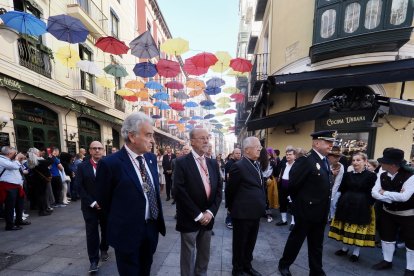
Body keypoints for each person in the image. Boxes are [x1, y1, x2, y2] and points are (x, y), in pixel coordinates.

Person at [96, 112, 166, 276]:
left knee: (146, 270)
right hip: (126, 234)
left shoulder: (150, 159)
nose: (153, 140)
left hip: (151, 229)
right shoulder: (110, 164)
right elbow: (104, 202)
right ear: (132, 136)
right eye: (148, 135)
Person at [278, 130, 337, 276]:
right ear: (316, 143)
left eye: (332, 142)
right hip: (306, 211)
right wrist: (301, 204)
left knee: (317, 244)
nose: (331, 145)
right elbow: (293, 185)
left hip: (321, 211)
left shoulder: (324, 160)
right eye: (328, 142)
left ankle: (316, 270)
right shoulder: (306, 159)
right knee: (296, 241)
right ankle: (284, 265)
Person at [173, 129, 222, 276]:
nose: (206, 141)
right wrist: (198, 215)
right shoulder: (181, 162)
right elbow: (179, 192)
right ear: (192, 141)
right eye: (202, 138)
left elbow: (219, 189)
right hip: (190, 217)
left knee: (204, 255)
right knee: (188, 256)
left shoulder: (213, 163)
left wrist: (210, 212)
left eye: (208, 138)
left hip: (208, 218)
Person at [371, 148, 414, 275]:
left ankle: (410, 268)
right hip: (388, 212)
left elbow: (404, 197)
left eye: (384, 162)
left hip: (407, 214)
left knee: (411, 241)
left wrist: (384, 193)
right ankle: (387, 261)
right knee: (386, 237)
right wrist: (390, 198)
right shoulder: (382, 174)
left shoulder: (411, 177)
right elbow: (374, 193)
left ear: (393, 165)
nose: (381, 164)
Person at [227, 137, 266, 276]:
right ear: (247, 149)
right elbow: (231, 190)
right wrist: (231, 209)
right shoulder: (238, 166)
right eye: (257, 147)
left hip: (255, 212)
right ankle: (237, 269)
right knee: (240, 243)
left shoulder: (256, 164)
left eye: (260, 147)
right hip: (242, 213)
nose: (260, 149)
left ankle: (247, 266)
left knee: (251, 242)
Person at [328, 152, 377, 262]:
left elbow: (373, 193)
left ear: (365, 162)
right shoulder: (347, 175)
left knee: (357, 229)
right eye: (353, 160)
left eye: (358, 160)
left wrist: (368, 204)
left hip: (362, 205)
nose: (355, 162)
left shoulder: (371, 176)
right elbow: (341, 189)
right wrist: (336, 201)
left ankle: (356, 252)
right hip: (346, 204)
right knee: (346, 226)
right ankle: (345, 248)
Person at [77, 141, 109, 273]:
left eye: (99, 148)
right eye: (94, 148)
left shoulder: (109, 166)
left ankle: (104, 248)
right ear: (89, 151)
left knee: (106, 229)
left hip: (106, 206)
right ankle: (93, 261)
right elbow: (79, 187)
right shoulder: (82, 166)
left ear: (103, 151)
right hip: (89, 206)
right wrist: (92, 202)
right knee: (91, 233)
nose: (97, 150)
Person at [0, 146, 31, 230]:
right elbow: (13, 166)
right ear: (9, 153)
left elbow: (18, 168)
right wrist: (17, 158)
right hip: (8, 186)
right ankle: (10, 225)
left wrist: (18, 160)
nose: (16, 154)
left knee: (19, 205)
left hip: (16, 186)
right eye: (14, 153)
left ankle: (19, 220)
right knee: (10, 206)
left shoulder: (12, 160)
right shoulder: (1, 160)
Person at [26, 148, 53, 216]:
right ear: (35, 153)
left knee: (41, 195)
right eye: (38, 152)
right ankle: (42, 211)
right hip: (40, 180)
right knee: (41, 196)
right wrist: (50, 156)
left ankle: (43, 209)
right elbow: (49, 162)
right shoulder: (38, 161)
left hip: (37, 180)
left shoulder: (32, 161)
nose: (39, 153)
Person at [276, 148, 296, 229]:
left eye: (290, 154)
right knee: (282, 203)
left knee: (292, 205)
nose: (288, 156)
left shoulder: (297, 165)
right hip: (283, 187)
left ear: (295, 156)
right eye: (287, 154)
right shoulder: (284, 164)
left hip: (292, 188)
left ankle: (293, 222)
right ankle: (284, 220)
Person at [224, 148, 242, 229]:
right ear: (233, 154)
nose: (238, 155)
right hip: (231, 187)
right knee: (230, 205)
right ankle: (228, 220)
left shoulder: (240, 162)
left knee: (235, 205)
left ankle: (233, 220)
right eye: (237, 153)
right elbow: (228, 177)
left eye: (239, 153)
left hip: (238, 188)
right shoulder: (229, 163)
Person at [327, 146, 345, 221]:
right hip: (323, 188)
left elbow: (337, 183)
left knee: (333, 203)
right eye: (335, 157)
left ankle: (332, 217)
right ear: (329, 156)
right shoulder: (324, 163)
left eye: (339, 157)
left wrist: (331, 196)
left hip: (335, 188)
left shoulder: (341, 166)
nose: (337, 159)